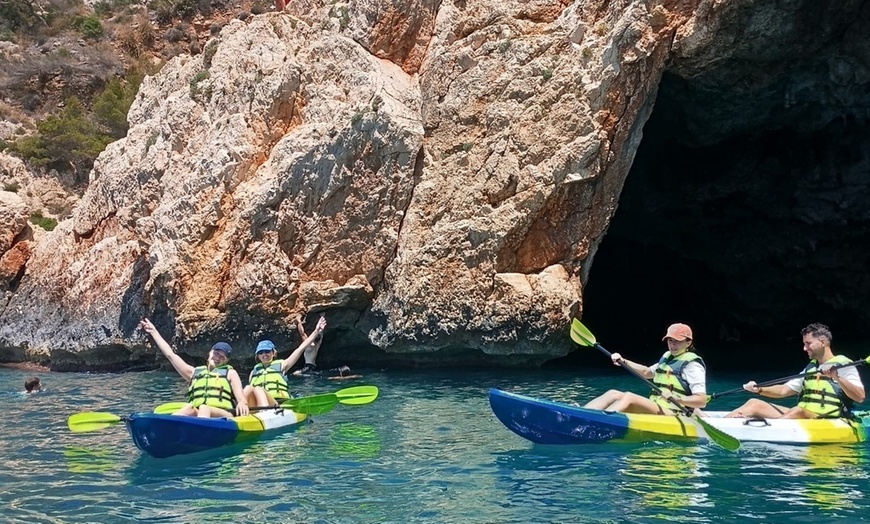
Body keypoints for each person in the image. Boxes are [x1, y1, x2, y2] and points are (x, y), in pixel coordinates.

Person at [724, 323, 865, 419]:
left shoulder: (844, 364)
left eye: (808, 343)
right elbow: (784, 390)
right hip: (802, 414)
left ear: (823, 342)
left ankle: (770, 431)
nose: (804, 348)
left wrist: (837, 377)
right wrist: (759, 389)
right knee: (754, 403)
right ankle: (717, 426)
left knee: (797, 410)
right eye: (804, 344)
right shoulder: (811, 367)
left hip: (826, 418)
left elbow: (860, 397)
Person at [583, 323, 708, 414]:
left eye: (677, 341)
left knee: (629, 398)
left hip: (676, 412)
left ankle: (603, 420)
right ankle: (583, 413)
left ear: (688, 343)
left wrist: (677, 398)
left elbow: (701, 401)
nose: (672, 345)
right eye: (670, 340)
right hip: (659, 407)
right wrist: (624, 361)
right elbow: (647, 372)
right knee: (613, 393)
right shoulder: (667, 357)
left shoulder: (692, 365)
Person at [139, 318, 249, 418]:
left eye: (222, 357)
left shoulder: (230, 373)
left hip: (224, 414)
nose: (217, 358)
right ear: (210, 352)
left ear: (226, 361)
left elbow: (241, 398)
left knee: (204, 408)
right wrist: (153, 331)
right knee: (189, 408)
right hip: (200, 414)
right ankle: (165, 424)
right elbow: (170, 355)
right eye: (216, 353)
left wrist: (242, 403)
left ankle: (201, 433)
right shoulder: (194, 373)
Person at [244, 315, 327, 408]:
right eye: (261, 352)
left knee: (258, 389)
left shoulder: (282, 365)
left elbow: (300, 349)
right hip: (256, 406)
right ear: (258, 356)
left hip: (278, 403)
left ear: (273, 353)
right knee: (248, 388)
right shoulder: (254, 372)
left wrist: (316, 331)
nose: (264, 355)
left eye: (267, 351)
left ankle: (264, 414)